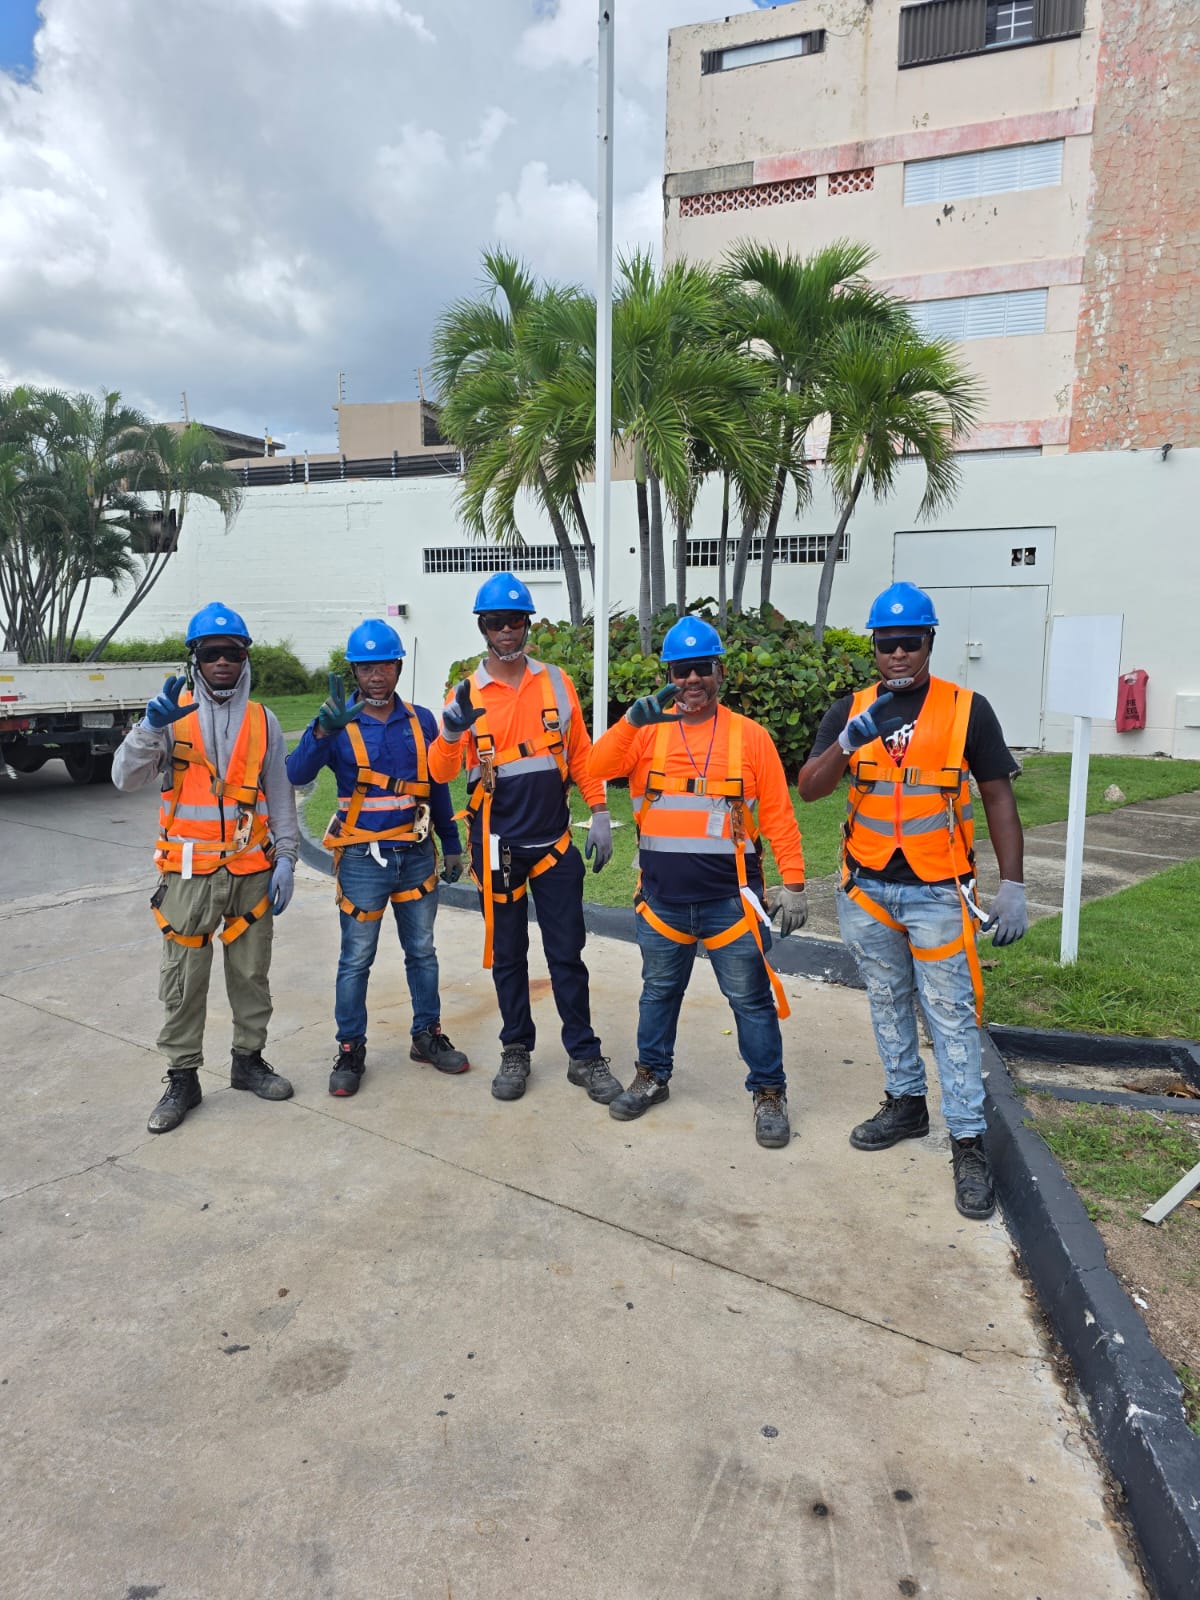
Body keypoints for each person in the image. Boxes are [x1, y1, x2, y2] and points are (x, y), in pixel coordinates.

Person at [796, 581, 1028, 1219]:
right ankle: (905, 1102)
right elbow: (810, 789)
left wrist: (1014, 884)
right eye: (886, 643)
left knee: (951, 1016)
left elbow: (998, 797)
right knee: (887, 1000)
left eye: (911, 642)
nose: (898, 654)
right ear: (873, 645)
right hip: (867, 887)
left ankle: (968, 1143)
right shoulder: (851, 708)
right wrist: (847, 742)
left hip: (938, 889)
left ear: (930, 642)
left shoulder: (966, 709)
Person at [588, 615, 808, 1150]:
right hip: (663, 902)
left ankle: (769, 1093)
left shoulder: (749, 738)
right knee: (659, 993)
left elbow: (778, 813)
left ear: (719, 672)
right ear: (669, 673)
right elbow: (596, 764)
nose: (692, 682)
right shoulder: (647, 733)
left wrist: (795, 882)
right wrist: (629, 724)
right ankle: (652, 1075)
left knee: (750, 1001)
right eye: (682, 671)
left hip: (731, 904)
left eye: (702, 670)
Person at [428, 573, 620, 1107]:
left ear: (527, 625)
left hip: (553, 843)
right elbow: (440, 773)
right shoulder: (465, 695)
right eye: (496, 622)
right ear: (482, 627)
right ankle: (516, 1049)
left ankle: (584, 1055)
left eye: (516, 621)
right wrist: (448, 733)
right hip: (498, 847)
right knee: (509, 954)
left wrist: (600, 810)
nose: (507, 631)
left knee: (567, 952)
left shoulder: (555, 682)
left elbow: (581, 753)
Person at [112, 602, 299, 1134]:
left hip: (250, 871)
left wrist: (286, 857)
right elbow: (124, 778)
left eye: (232, 653)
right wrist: (150, 728)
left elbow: (281, 797)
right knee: (183, 977)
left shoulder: (263, 721)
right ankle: (182, 1078)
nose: (222, 662)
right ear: (194, 657)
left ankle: (248, 1060)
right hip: (188, 872)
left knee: (250, 972)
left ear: (244, 658)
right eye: (211, 652)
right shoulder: (172, 715)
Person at [285, 619, 468, 1097]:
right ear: (353, 672)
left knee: (422, 952)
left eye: (384, 665)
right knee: (356, 959)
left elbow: (436, 789)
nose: (376, 676)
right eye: (365, 668)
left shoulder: (423, 720)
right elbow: (295, 772)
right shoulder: (338, 723)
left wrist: (451, 844)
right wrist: (321, 733)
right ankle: (350, 1048)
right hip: (364, 860)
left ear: (398, 667)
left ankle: (426, 1035)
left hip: (416, 855)